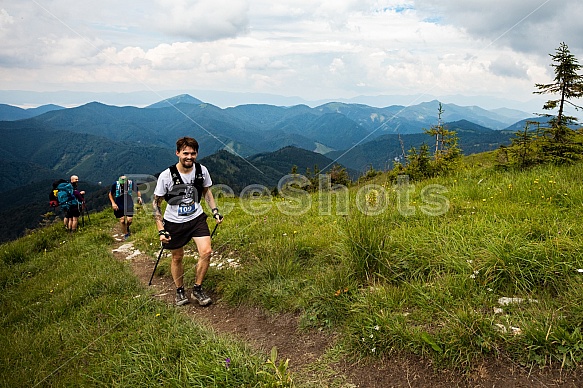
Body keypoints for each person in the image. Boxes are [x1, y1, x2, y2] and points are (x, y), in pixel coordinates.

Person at [153, 136, 223, 306]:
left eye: (193, 153)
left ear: (196, 154)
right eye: (185, 153)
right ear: (177, 153)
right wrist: (161, 229)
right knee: (177, 257)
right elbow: (156, 203)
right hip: (174, 221)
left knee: (206, 252)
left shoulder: (201, 170)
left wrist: (214, 211)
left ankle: (197, 289)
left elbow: (207, 192)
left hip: (197, 218)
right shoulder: (166, 176)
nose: (189, 157)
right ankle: (179, 290)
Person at [109, 175, 142, 239]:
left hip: (128, 202)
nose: (123, 185)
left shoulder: (131, 183)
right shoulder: (115, 184)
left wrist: (139, 197)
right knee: (122, 220)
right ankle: (126, 233)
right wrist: (113, 203)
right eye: (122, 184)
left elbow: (137, 191)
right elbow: (110, 194)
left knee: (129, 220)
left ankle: (126, 227)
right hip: (119, 203)